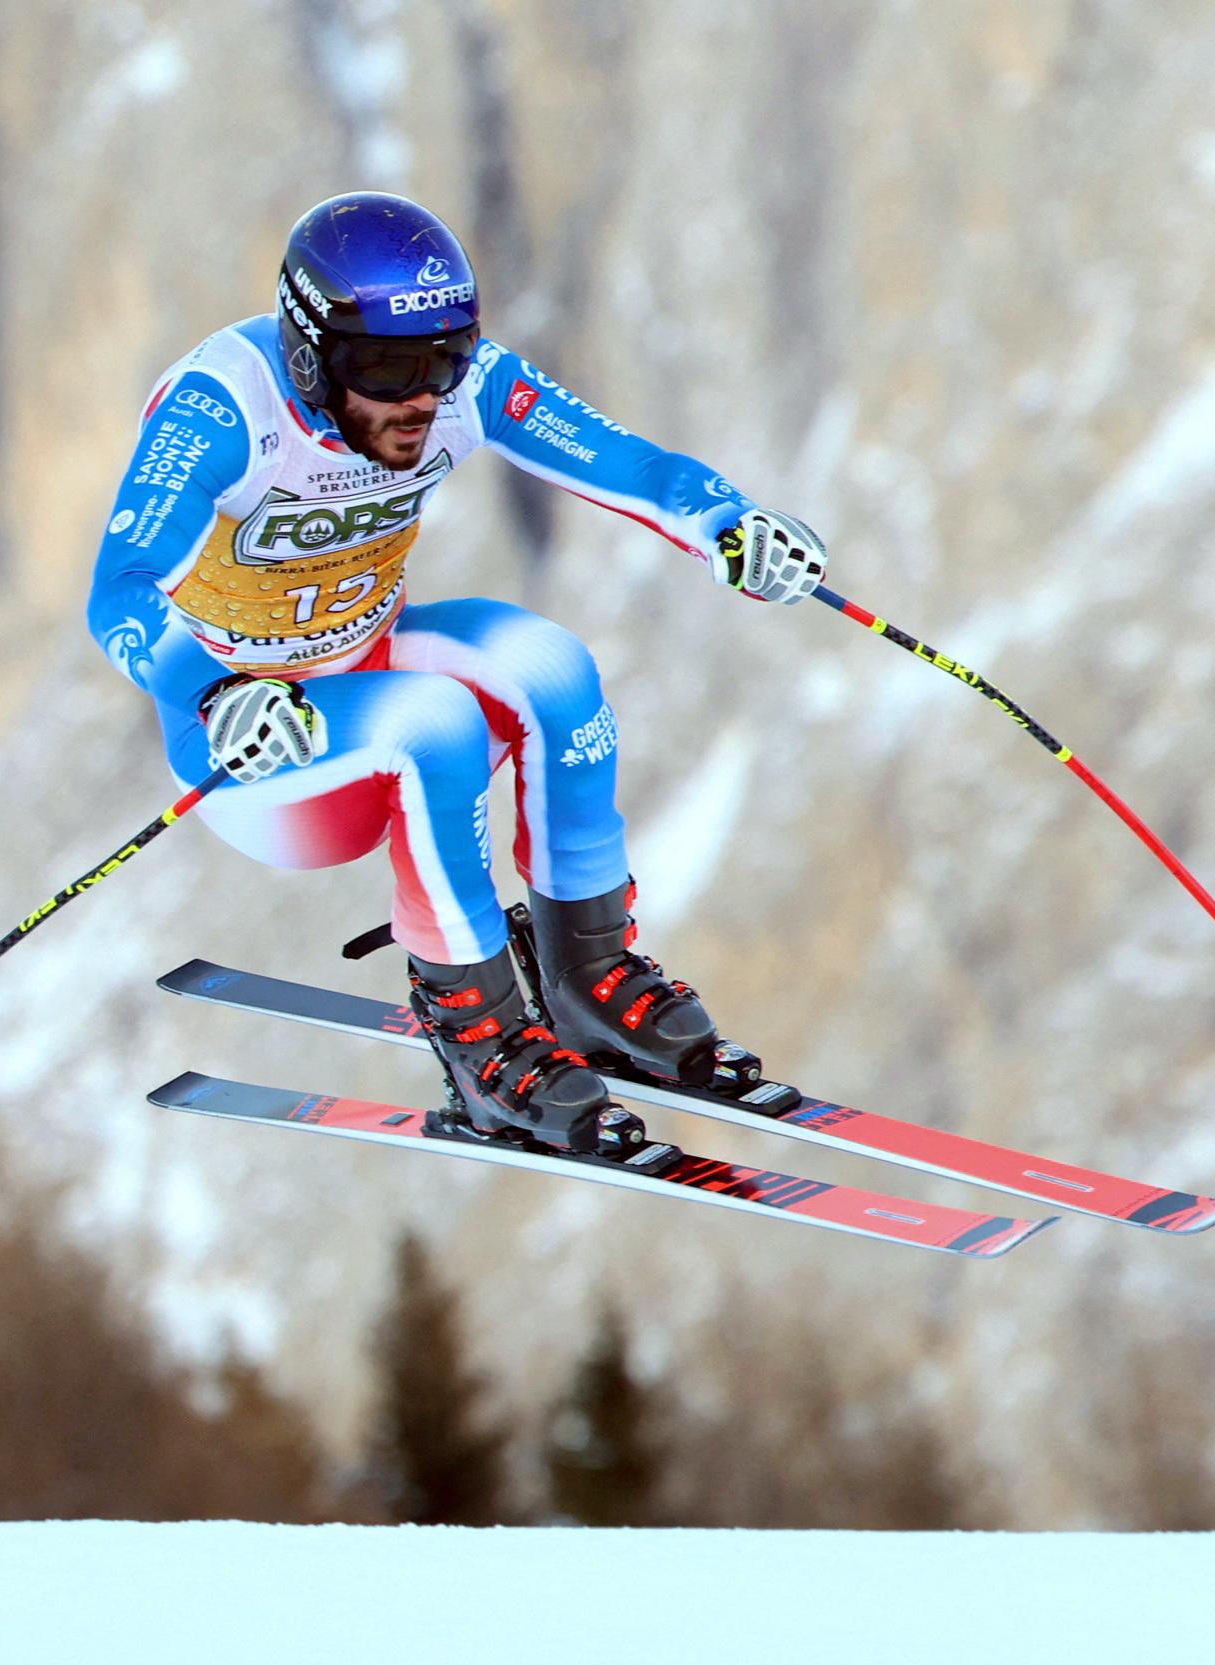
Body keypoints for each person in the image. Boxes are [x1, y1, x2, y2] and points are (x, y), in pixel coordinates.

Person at [86, 191, 825, 1153]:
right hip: (256, 747)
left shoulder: (452, 392)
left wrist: (732, 523)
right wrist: (212, 691)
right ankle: (479, 1042)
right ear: (311, 354)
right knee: (434, 723)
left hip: (367, 664)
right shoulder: (223, 410)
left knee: (550, 669)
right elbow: (121, 589)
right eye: (391, 369)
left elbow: (623, 463)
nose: (424, 397)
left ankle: (588, 981)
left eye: (448, 357)